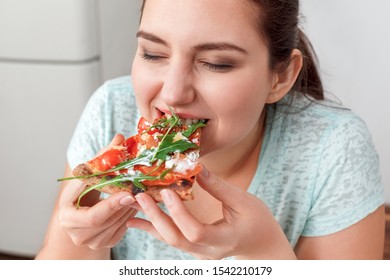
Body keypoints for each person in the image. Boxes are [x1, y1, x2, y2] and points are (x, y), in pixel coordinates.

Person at [36, 0, 385, 260]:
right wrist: (80, 238)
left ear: (280, 77)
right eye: (153, 53)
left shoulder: (334, 147)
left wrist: (265, 251)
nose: (173, 93)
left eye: (216, 63)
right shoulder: (112, 109)